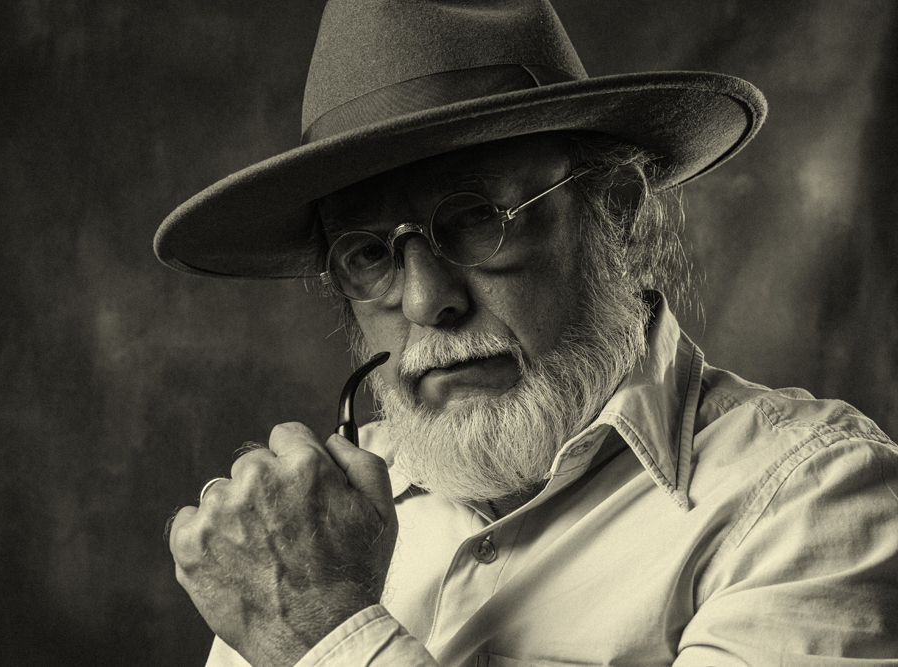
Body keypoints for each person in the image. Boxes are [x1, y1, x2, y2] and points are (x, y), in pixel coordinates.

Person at [160, 1, 898, 665]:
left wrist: (325, 633)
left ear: (618, 214)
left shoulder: (814, 500)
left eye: (476, 216)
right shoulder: (304, 530)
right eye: (366, 253)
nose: (426, 301)